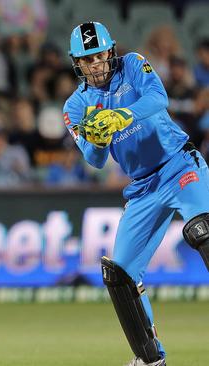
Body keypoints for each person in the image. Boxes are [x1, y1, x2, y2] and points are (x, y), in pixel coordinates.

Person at [64, 22, 209, 366]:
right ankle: (149, 359)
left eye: (99, 55)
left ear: (110, 52)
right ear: (77, 63)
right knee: (121, 274)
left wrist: (120, 116)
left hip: (178, 164)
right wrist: (98, 137)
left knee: (203, 230)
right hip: (143, 189)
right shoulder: (75, 106)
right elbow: (95, 160)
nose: (96, 64)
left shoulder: (133, 64)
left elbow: (157, 99)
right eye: (88, 60)